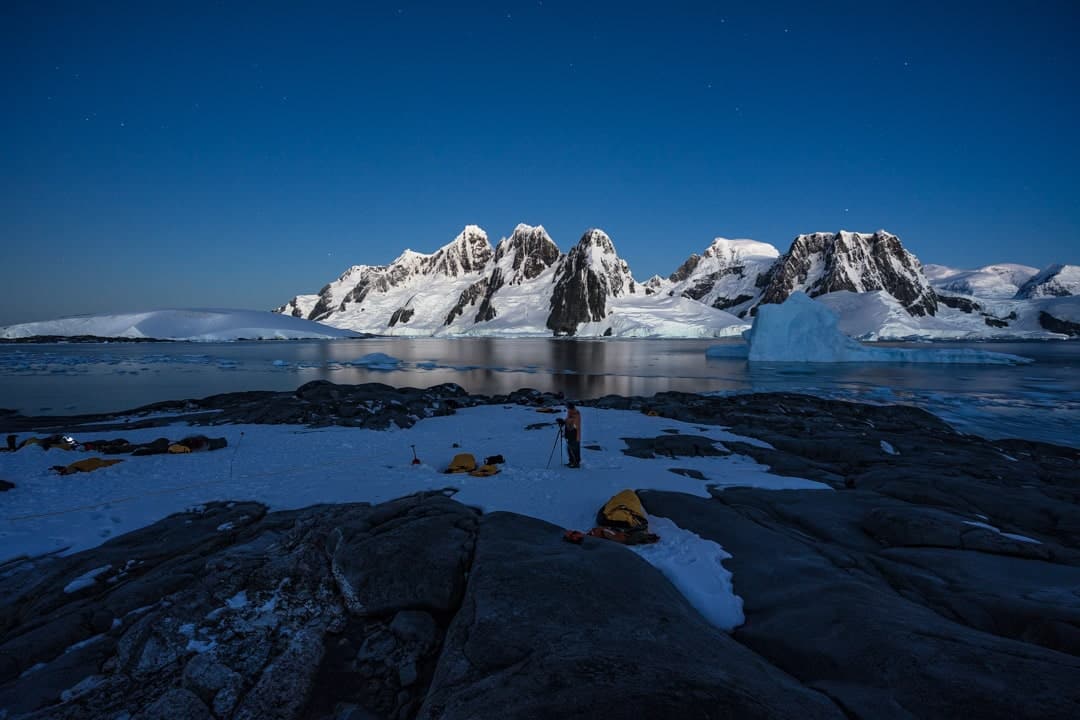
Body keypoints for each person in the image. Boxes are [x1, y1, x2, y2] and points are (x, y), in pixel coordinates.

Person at [563, 402, 582, 468]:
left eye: (568, 407)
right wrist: (562, 421)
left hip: (575, 434)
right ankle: (571, 461)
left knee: (574, 448)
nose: (567, 409)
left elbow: (575, 425)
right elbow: (567, 420)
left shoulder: (576, 414)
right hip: (570, 434)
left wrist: (568, 422)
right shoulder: (570, 413)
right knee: (569, 448)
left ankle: (576, 463)